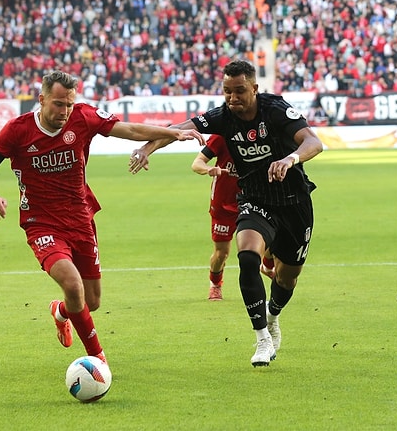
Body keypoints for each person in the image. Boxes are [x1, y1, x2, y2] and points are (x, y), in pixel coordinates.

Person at [0, 70, 203, 365]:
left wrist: (172, 133)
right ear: (41, 100)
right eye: (58, 104)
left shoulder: (84, 117)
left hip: (81, 218)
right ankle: (98, 361)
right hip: (41, 222)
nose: (64, 111)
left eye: (69, 104)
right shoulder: (17, 130)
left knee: (90, 301)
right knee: (72, 284)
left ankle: (61, 312)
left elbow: (129, 130)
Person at [130, 60, 323, 367]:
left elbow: (314, 142)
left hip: (294, 202)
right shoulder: (222, 117)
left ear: (255, 89)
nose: (233, 98)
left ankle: (272, 316)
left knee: (287, 278)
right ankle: (261, 338)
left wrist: (291, 158)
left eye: (240, 91)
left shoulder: (275, 110)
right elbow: (177, 130)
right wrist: (147, 148)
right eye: (227, 92)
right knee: (247, 257)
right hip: (255, 199)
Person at [192, 135, 275, 301]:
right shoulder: (222, 136)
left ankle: (266, 266)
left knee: (271, 237)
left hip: (253, 198)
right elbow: (196, 163)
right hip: (223, 203)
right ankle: (215, 284)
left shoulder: (261, 133)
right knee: (222, 253)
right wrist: (208, 169)